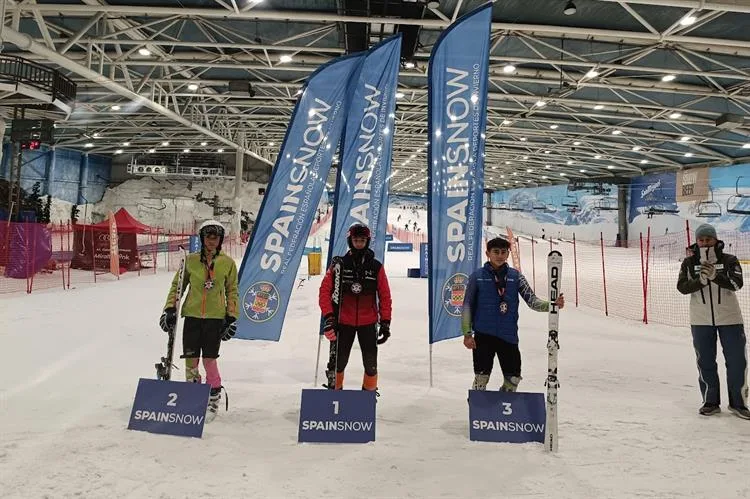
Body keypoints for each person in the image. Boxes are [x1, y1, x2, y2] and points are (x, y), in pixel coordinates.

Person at [461, 237, 565, 391]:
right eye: (496, 252)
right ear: (487, 253)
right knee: (481, 378)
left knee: (513, 379)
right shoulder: (477, 277)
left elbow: (532, 301)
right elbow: (467, 306)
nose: (500, 255)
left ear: (508, 254)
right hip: (483, 335)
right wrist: (467, 334)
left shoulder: (516, 277)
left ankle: (502, 409)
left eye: (504, 252)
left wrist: (552, 305)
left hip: (508, 336)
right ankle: (478, 408)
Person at [159, 220, 239, 420]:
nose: (212, 241)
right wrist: (169, 309)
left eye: (216, 238)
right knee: (191, 360)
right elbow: (177, 286)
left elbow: (232, 291)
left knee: (209, 360)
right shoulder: (191, 261)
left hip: (215, 317)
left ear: (220, 240)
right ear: (202, 239)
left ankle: (213, 397)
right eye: (208, 237)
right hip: (193, 316)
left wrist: (231, 317)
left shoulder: (227, 263)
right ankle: (193, 396)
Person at [677, 223, 749, 419]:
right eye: (701, 239)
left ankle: (739, 403)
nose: (704, 242)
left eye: (708, 239)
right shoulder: (689, 263)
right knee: (705, 361)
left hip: (730, 318)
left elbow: (736, 284)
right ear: (696, 241)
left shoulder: (729, 260)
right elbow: (682, 287)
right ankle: (710, 401)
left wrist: (716, 276)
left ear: (716, 240)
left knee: (737, 362)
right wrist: (699, 281)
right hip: (700, 320)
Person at [319, 223, 392, 391]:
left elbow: (385, 296)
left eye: (362, 240)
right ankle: (335, 394)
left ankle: (369, 396)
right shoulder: (339, 265)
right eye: (356, 240)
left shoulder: (376, 267)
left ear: (367, 241)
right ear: (350, 241)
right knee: (339, 362)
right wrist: (329, 317)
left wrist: (386, 321)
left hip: (368, 323)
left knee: (370, 363)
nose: (359, 243)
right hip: (343, 322)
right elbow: (324, 292)